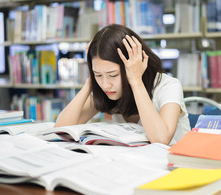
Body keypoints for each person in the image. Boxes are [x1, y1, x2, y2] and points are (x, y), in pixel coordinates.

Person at [55, 24, 190, 145]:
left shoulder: (168, 86)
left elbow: (161, 139)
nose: (106, 85)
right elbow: (61, 129)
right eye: (98, 75)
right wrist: (90, 82)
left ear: (134, 64)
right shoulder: (106, 90)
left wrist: (136, 81)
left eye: (113, 75)